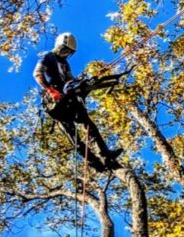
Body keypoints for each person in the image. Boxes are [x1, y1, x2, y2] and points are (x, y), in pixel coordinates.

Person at [33, 32, 122, 172]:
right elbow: (37, 74)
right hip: (55, 100)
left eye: (68, 51)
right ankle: (95, 163)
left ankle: (106, 155)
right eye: (64, 50)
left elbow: (70, 80)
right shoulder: (48, 57)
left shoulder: (65, 63)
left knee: (89, 124)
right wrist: (50, 90)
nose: (65, 53)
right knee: (75, 138)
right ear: (58, 46)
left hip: (68, 97)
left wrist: (81, 82)